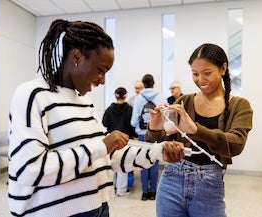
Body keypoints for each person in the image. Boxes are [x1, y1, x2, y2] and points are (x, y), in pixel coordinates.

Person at [8, 19, 185, 217]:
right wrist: (103, 146)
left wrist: (157, 152)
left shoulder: (85, 102)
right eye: (100, 70)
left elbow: (106, 157)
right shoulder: (32, 95)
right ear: (77, 57)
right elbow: (30, 170)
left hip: (98, 208)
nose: (102, 80)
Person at [145, 43, 253, 217]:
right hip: (172, 177)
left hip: (209, 182)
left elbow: (236, 144)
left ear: (223, 68)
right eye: (195, 74)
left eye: (207, 73)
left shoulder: (239, 105)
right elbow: (155, 144)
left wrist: (196, 129)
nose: (200, 80)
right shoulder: (184, 101)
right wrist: (155, 128)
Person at [130, 73, 166, 201]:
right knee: (155, 162)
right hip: (156, 132)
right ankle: (153, 192)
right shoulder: (161, 97)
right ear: (153, 83)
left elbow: (134, 120)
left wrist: (136, 126)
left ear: (143, 84)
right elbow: (165, 117)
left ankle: (144, 192)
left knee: (143, 162)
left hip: (141, 134)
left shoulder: (139, 98)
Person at [102, 87, 136, 197]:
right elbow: (132, 125)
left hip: (111, 140)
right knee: (123, 165)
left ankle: (111, 189)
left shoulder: (109, 109)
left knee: (111, 165)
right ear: (125, 96)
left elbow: (104, 123)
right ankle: (121, 190)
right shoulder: (129, 109)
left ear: (115, 95)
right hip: (125, 140)